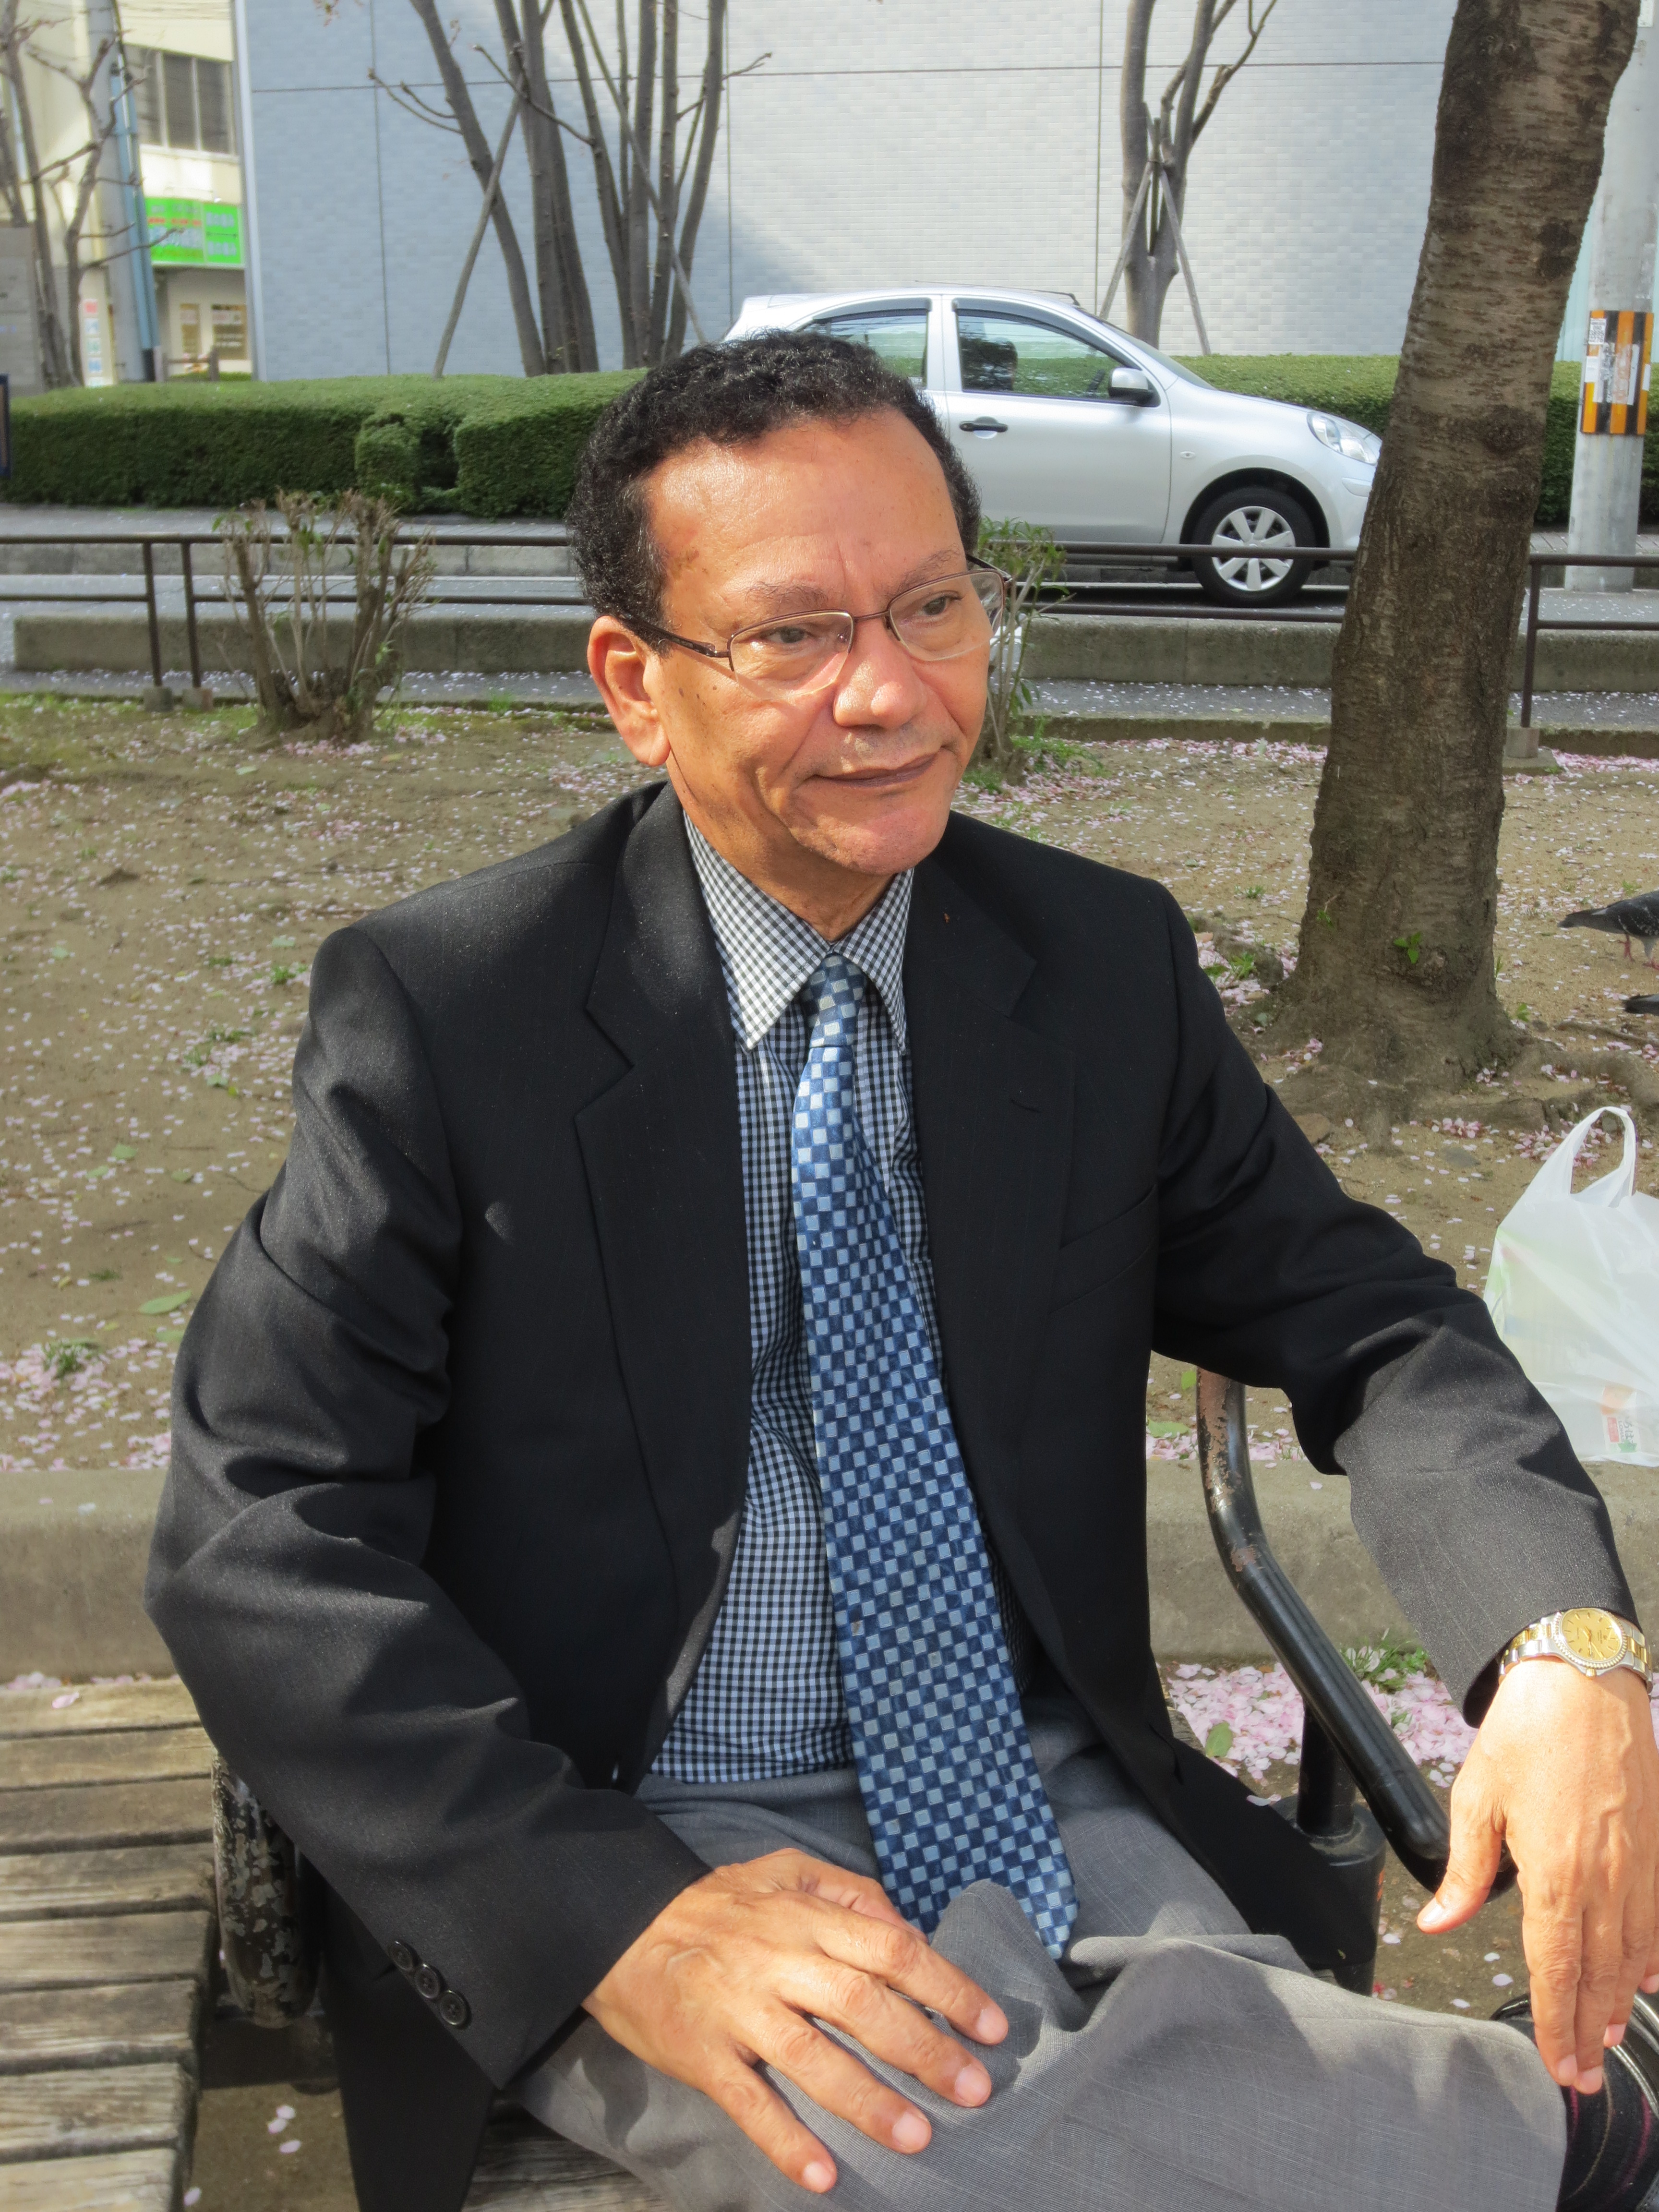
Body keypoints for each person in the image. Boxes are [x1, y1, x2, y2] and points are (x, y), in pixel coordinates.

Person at [147, 334, 1659, 2212]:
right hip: (646, 1831)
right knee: (936, 2124)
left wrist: (1564, 1646)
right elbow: (258, 1529)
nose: (891, 691)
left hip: (1048, 1791)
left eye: (934, 606)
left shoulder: (1094, 972)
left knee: (1047, 2115)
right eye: (793, 635)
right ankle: (1580, 2132)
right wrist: (611, 1917)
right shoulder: (453, 1017)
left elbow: (1380, 1322)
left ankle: (1297, 2091)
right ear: (635, 684)